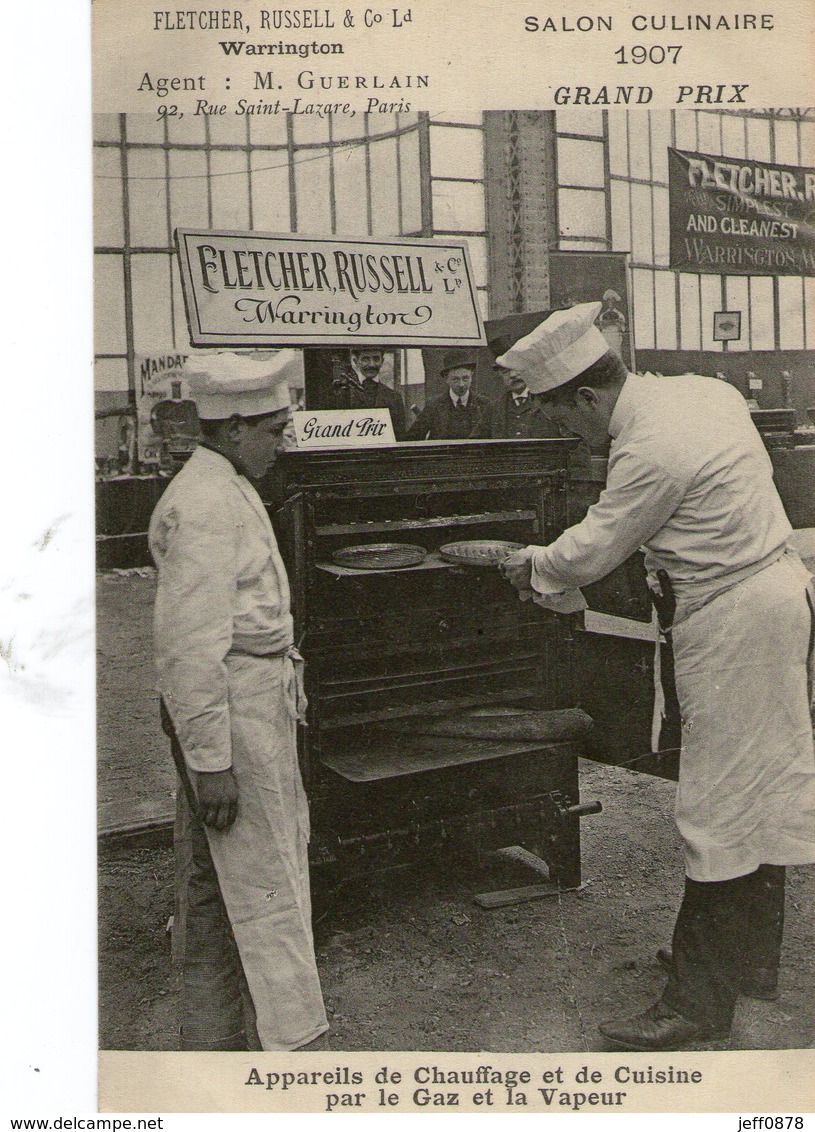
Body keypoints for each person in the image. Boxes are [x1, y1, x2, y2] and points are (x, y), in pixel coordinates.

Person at [499, 301, 815, 1051]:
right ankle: (740, 964)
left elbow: (595, 547)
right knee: (760, 788)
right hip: (773, 592)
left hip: (733, 615)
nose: (566, 437)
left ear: (584, 397)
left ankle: (696, 1003)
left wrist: (531, 565)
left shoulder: (649, 450)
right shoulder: (703, 391)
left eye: (559, 420)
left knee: (714, 804)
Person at [148, 351, 328, 1052]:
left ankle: (225, 1038)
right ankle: (277, 1044)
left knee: (242, 877)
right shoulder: (203, 503)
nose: (282, 442)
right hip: (230, 712)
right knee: (251, 880)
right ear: (233, 429)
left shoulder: (228, 483)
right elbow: (187, 648)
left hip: (253, 700)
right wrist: (211, 762)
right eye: (276, 430)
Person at [405, 348, 491, 441]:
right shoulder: (433, 406)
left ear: (472, 375)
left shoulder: (485, 405)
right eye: (455, 379)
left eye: (465, 378)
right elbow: (412, 439)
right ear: (447, 379)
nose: (461, 384)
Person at [334, 346, 407, 439]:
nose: (372, 364)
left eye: (376, 359)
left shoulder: (395, 398)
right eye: (366, 359)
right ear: (356, 361)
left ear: (382, 361)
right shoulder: (343, 394)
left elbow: (399, 439)